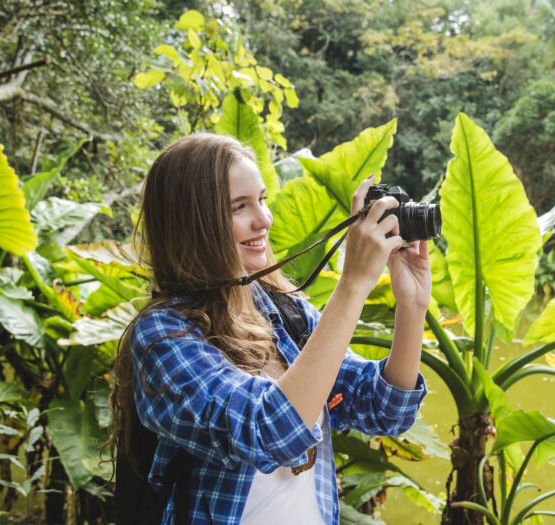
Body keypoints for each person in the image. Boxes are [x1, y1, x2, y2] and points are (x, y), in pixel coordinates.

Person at [106, 133, 431, 525]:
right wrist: (352, 285)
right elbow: (269, 431)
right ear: (192, 224)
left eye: (261, 199)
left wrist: (412, 307)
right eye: (238, 207)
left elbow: (383, 409)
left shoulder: (281, 310)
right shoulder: (163, 336)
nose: (264, 219)